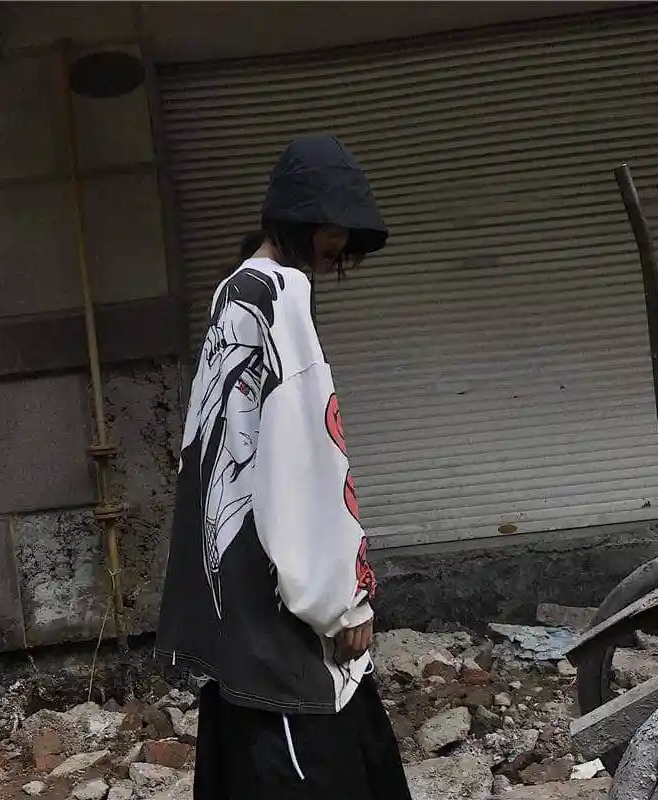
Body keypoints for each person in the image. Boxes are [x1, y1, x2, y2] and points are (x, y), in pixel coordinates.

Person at [156, 135, 412, 800]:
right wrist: (343, 601)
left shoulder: (234, 291)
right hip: (284, 632)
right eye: (332, 227)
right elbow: (308, 459)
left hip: (237, 609)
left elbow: (214, 456)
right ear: (302, 218)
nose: (339, 246)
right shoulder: (281, 294)